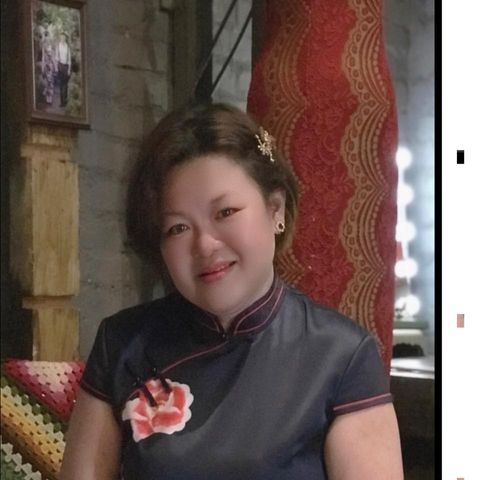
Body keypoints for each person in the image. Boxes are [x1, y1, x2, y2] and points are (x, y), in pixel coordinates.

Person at [60, 103, 403, 479]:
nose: (205, 245)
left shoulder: (341, 355)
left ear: (275, 209)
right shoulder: (123, 344)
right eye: (177, 228)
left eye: (225, 212)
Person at [55, 32, 71, 107]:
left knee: (66, 85)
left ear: (65, 38)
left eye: (64, 38)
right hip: (60, 66)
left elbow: (69, 59)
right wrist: (56, 67)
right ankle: (62, 102)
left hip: (66, 66)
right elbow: (56, 57)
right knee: (61, 85)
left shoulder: (68, 47)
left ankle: (65, 101)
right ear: (60, 38)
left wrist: (69, 69)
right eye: (61, 37)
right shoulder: (58, 46)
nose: (62, 39)